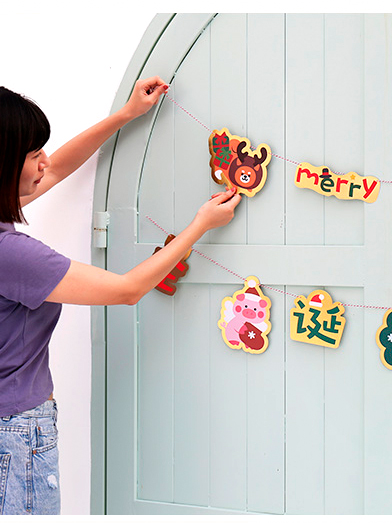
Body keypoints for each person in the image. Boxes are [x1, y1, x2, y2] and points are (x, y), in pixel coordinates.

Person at [0, 77, 242, 514]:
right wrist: (200, 225)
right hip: (15, 435)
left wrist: (126, 114)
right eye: (33, 154)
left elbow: (55, 171)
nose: (45, 162)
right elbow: (127, 290)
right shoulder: (12, 254)